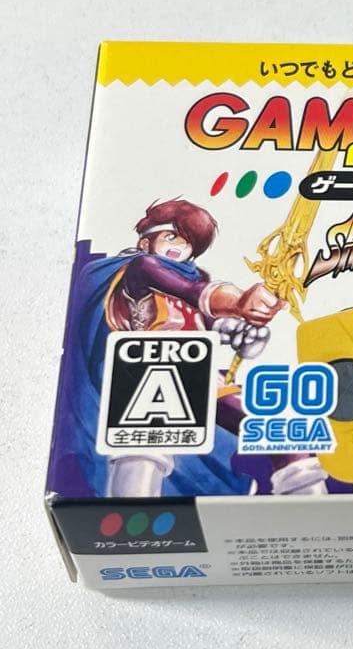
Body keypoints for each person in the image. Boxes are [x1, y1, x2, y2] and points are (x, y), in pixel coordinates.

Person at [59, 199, 329, 497]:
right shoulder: (142, 268)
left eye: (187, 242)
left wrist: (239, 332)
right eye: (171, 236)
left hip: (198, 376)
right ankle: (128, 517)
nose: (179, 247)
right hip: (148, 379)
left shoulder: (192, 279)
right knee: (143, 453)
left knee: (280, 435)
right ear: (146, 241)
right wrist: (238, 303)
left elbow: (205, 318)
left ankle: (314, 514)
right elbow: (192, 292)